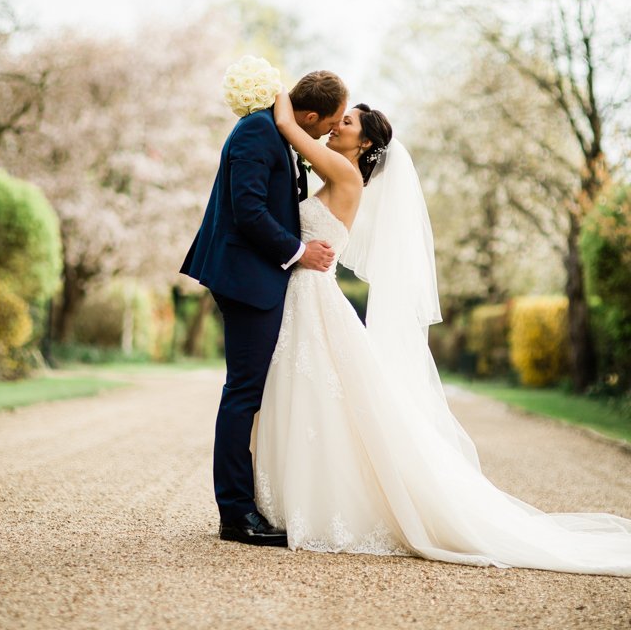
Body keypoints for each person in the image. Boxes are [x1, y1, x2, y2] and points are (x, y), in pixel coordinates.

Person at [252, 89, 631, 575]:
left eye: (346, 122)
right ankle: (290, 496)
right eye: (338, 120)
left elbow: (288, 128)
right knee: (308, 394)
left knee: (318, 392)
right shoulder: (331, 168)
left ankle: (314, 502)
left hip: (313, 294)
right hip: (303, 295)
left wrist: (274, 99)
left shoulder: (344, 173)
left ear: (365, 145)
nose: (336, 125)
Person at [180, 70, 348, 547]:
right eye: (330, 122)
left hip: (257, 276)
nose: (329, 132)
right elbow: (249, 208)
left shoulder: (275, 129)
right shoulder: (257, 131)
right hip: (245, 278)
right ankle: (235, 514)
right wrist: (299, 252)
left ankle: (252, 502)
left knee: (251, 391)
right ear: (311, 115)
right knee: (244, 392)